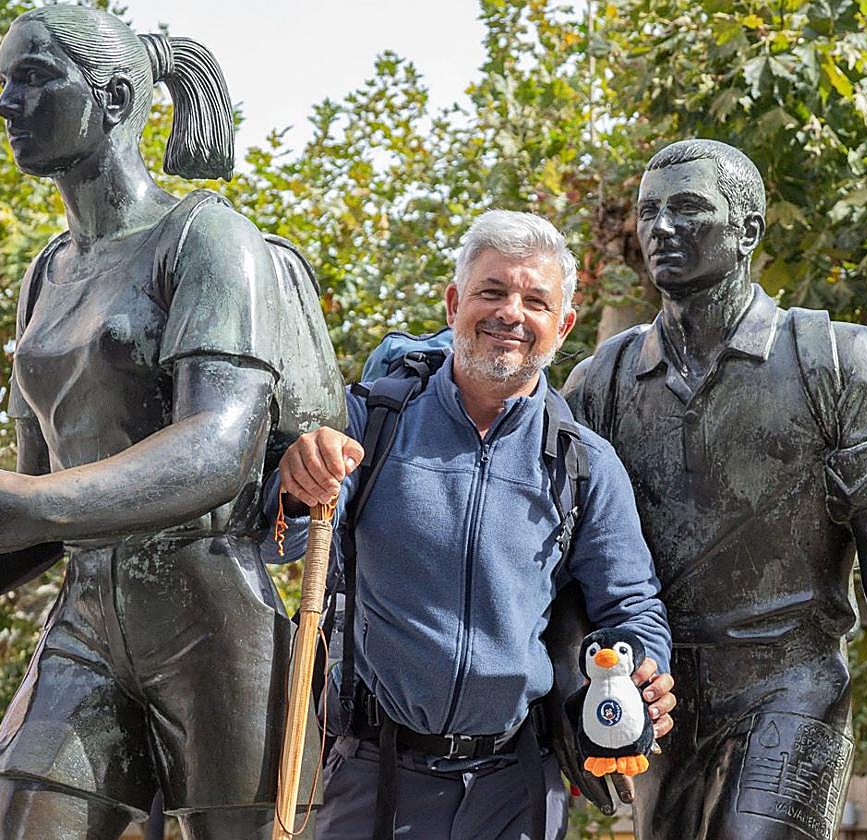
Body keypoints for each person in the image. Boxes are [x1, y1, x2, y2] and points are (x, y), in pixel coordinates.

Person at [0, 7, 344, 839]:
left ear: (117, 97)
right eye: (3, 82)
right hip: (86, 623)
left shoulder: (209, 238)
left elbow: (216, 450)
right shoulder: (45, 275)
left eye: (33, 79)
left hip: (212, 629)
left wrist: (32, 503)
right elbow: (44, 501)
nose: (6, 104)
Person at [564, 139, 867, 840]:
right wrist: (574, 696)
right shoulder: (600, 383)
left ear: (748, 229)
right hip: (659, 694)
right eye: (649, 211)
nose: (662, 227)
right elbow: (565, 562)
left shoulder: (839, 360)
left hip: (793, 682)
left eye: (689, 208)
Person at [277, 210, 675, 839]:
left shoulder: (585, 463)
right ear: (453, 303)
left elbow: (632, 605)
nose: (511, 313)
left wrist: (642, 667)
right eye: (492, 292)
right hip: (373, 776)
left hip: (519, 789)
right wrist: (297, 485)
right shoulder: (369, 423)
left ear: (563, 326)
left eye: (535, 301)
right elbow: (286, 542)